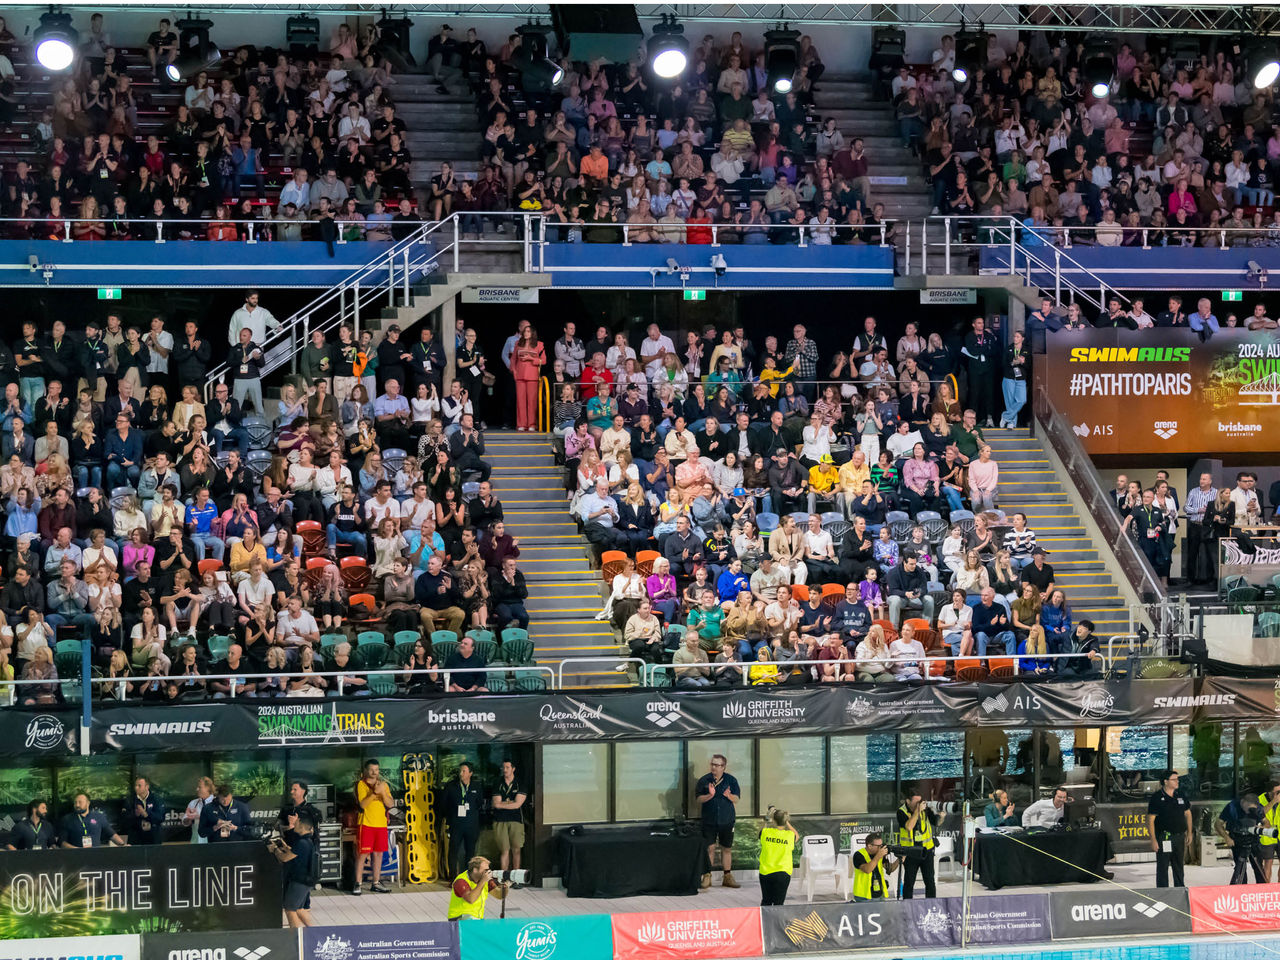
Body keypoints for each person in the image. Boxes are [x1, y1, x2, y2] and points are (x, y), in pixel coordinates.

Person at [697, 753, 741, 889]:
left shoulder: (731, 780)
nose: (713, 767)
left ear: (723, 767)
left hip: (726, 820)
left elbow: (737, 799)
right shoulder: (704, 780)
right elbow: (698, 799)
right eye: (712, 764)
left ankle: (727, 876)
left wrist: (729, 795)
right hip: (709, 820)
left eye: (717, 765)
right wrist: (710, 795)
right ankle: (707, 876)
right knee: (709, 848)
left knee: (726, 848)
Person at [1146, 770, 1193, 888]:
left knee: (1179, 866)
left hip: (1179, 836)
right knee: (1163, 866)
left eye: (1178, 779)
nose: (1177, 781)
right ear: (1165, 782)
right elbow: (1150, 820)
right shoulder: (1157, 797)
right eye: (1174, 779)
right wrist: (1153, 839)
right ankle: (1162, 891)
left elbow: (1188, 813)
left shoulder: (1180, 795)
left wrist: (1189, 832)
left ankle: (1180, 889)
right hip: (1164, 836)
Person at [271, 810, 317, 928]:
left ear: (301, 825)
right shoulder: (308, 841)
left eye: (296, 823)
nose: (293, 825)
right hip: (307, 881)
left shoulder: (301, 843)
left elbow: (285, 858)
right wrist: (284, 846)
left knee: (290, 909)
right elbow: (294, 852)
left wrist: (274, 850)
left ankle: (296, 938)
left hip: (298, 881)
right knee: (300, 909)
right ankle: (315, 932)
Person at [353, 759, 393, 895]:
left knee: (378, 854)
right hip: (366, 824)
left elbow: (390, 804)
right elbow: (363, 804)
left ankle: (376, 882)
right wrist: (375, 792)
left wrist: (382, 792)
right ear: (366, 770)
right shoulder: (361, 785)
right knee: (362, 854)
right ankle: (357, 883)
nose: (374, 772)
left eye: (376, 770)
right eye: (371, 770)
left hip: (381, 824)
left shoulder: (384, 785)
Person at [1217, 791, 1268, 885]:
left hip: (1253, 840)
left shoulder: (1258, 807)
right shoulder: (1232, 807)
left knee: (1258, 867)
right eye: (1248, 808)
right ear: (1243, 802)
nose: (1249, 811)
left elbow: (1266, 822)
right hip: (1237, 841)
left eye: (1252, 809)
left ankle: (1262, 889)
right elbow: (1218, 824)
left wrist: (1262, 828)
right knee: (1240, 870)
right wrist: (1226, 837)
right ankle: (1241, 889)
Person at [444, 761, 484, 879]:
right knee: (453, 851)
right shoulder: (451, 786)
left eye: (464, 771)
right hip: (456, 824)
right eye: (460, 771)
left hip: (471, 824)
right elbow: (444, 804)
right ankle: (452, 878)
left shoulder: (476, 786)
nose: (461, 774)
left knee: (470, 852)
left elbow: (479, 803)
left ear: (470, 773)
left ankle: (469, 877)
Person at [895, 790, 937, 898]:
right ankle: (907, 906)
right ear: (908, 801)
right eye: (916, 802)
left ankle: (931, 905)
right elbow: (909, 826)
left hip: (926, 850)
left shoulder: (925, 810)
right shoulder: (901, 812)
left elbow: (936, 822)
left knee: (930, 881)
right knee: (909, 882)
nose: (919, 804)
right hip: (910, 852)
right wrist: (917, 812)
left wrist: (941, 816)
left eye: (920, 801)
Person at [491, 759, 527, 880]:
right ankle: (504, 877)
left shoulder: (520, 783)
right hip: (500, 820)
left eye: (507, 767)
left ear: (513, 769)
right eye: (503, 768)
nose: (504, 770)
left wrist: (504, 803)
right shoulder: (497, 783)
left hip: (516, 820)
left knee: (516, 849)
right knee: (504, 850)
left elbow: (518, 805)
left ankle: (517, 877)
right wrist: (511, 802)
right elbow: (496, 804)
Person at [757, 806, 799, 906]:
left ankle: (764, 921)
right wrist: (786, 822)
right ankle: (776, 922)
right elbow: (797, 835)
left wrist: (767, 819)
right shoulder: (789, 836)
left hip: (766, 872)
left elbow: (759, 832)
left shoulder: (766, 833)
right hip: (783, 873)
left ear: (774, 821)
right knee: (779, 903)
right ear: (785, 821)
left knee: (766, 901)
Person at [447, 855, 509, 921]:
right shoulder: (461, 881)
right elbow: (471, 899)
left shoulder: (484, 879)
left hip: (476, 919)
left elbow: (499, 895)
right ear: (475, 870)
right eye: (485, 870)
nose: (487, 872)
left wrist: (505, 886)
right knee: (470, 920)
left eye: (488, 870)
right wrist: (483, 881)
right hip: (458, 918)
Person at [60, 793, 126, 848]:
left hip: (95, 856)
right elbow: (62, 842)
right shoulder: (67, 819)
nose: (77, 805)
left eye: (80, 802)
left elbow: (111, 834)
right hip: (75, 857)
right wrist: (77, 850)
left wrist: (123, 845)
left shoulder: (98, 817)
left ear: (88, 803)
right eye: (75, 802)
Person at [851, 831, 899, 902]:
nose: (881, 848)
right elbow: (867, 870)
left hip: (879, 894)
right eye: (879, 846)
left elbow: (890, 869)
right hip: (863, 896)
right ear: (869, 846)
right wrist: (878, 856)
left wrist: (900, 859)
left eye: (881, 845)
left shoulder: (878, 854)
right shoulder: (858, 855)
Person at [120, 775, 165, 845]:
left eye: (139, 786)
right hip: (136, 838)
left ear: (147, 786)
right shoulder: (130, 800)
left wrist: (146, 814)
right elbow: (124, 820)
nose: (136, 788)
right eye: (135, 785)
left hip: (153, 838)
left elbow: (160, 818)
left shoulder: (156, 799)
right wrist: (135, 814)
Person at [278, 780, 322, 847]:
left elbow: (311, 831)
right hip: (288, 847)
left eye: (295, 790)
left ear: (303, 791)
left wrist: (293, 826)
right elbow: (277, 826)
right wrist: (287, 828)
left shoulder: (312, 811)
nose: (291, 792)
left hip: (305, 848)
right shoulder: (286, 808)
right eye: (291, 789)